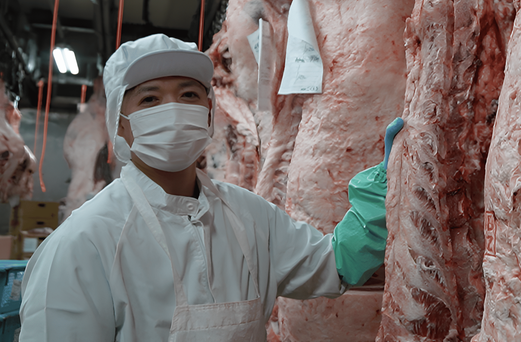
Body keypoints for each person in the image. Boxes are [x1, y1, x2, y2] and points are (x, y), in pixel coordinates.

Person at [19, 34, 404, 341]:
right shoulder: (81, 243)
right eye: (150, 99)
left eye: (188, 95)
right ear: (120, 123)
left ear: (208, 112)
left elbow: (333, 265)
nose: (173, 108)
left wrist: (386, 186)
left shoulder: (251, 215)